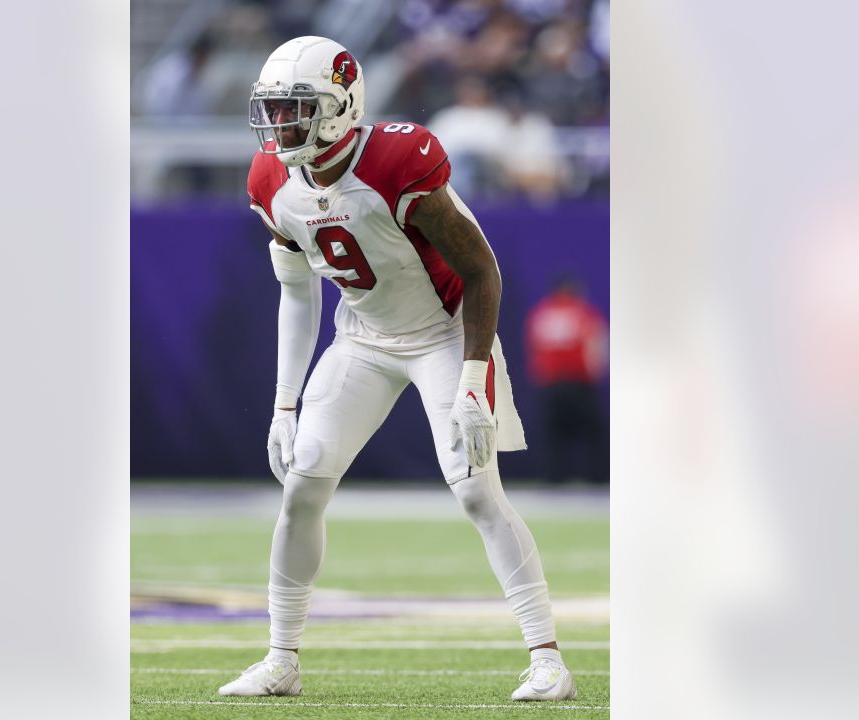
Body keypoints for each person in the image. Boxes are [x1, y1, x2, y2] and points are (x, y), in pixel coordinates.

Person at [215, 36, 576, 702]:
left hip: (444, 331)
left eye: (297, 108)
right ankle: (281, 659)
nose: (280, 125)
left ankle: (548, 659)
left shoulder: (395, 159)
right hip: (363, 337)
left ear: (340, 106)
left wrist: (472, 378)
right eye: (273, 110)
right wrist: (283, 403)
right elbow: (298, 293)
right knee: (303, 485)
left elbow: (480, 271)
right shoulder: (271, 180)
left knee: (474, 489)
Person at [525, 278, 610, 484]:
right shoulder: (585, 313)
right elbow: (596, 350)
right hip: (579, 382)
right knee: (594, 432)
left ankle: (553, 478)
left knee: (553, 433)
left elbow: (534, 349)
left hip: (551, 384)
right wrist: (593, 376)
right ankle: (598, 478)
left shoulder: (541, 314)